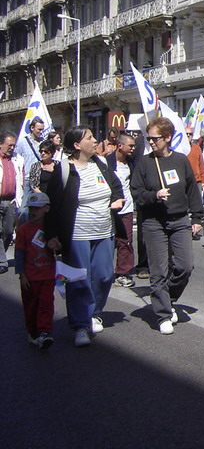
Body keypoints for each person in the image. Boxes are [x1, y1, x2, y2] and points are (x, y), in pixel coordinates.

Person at [44, 126, 125, 347]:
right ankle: (80, 325)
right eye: (89, 138)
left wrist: (118, 200)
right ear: (77, 145)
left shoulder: (101, 164)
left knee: (105, 275)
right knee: (78, 279)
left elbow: (116, 188)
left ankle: (94, 312)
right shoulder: (63, 171)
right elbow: (50, 206)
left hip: (104, 232)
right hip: (77, 234)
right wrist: (51, 235)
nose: (95, 140)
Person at [130, 117, 204, 334]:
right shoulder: (144, 163)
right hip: (154, 222)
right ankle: (163, 314)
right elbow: (136, 192)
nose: (151, 142)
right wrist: (154, 195)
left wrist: (198, 218)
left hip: (179, 220)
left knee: (184, 266)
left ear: (167, 138)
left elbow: (192, 190)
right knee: (159, 270)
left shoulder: (181, 160)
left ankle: (167, 298)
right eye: (149, 138)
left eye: (155, 138)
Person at [14, 192, 56, 349]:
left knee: (46, 303)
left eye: (37, 208)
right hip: (30, 276)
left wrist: (57, 245)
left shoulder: (51, 228)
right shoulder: (24, 229)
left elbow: (59, 248)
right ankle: (33, 332)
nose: (33, 211)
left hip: (47, 274)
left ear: (46, 208)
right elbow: (19, 254)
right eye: (31, 208)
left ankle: (44, 332)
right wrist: (21, 275)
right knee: (31, 305)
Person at [107, 132, 138, 288]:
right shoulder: (106, 163)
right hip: (109, 209)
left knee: (125, 241)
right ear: (120, 146)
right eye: (130, 146)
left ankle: (123, 273)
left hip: (126, 209)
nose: (133, 148)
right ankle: (104, 272)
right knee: (107, 242)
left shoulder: (132, 163)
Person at [0, 131, 25, 274]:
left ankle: (1, 254)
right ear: (1, 144)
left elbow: (21, 180)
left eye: (14, 146)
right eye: (9, 145)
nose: (12, 148)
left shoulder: (18, 159)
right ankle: (2, 262)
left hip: (11, 201)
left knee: (8, 231)